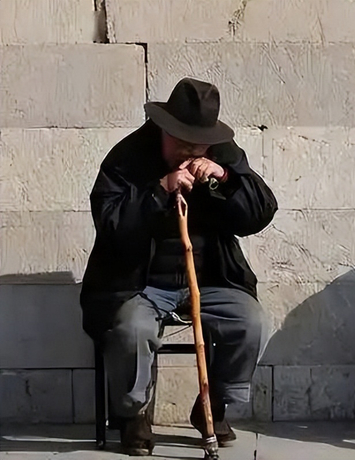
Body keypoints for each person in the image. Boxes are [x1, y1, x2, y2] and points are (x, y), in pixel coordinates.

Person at [80, 78, 277, 456]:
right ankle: (134, 414)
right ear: (164, 131)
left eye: (197, 145)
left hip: (210, 279)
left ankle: (212, 406)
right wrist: (160, 190)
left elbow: (260, 211)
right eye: (183, 142)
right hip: (138, 284)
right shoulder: (127, 157)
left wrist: (224, 178)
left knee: (250, 322)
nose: (190, 151)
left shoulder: (223, 154)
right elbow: (110, 224)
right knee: (132, 330)